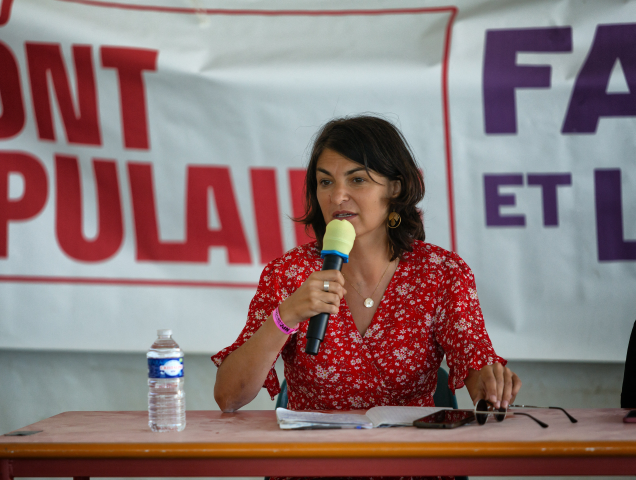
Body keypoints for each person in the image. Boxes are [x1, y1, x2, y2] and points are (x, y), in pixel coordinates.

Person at [212, 115, 520, 419]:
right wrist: (286, 316)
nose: (337, 196)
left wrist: (493, 387)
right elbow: (228, 398)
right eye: (325, 182)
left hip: (412, 461)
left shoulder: (442, 273)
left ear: (395, 188)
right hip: (314, 463)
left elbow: (477, 367)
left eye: (357, 180)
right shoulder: (289, 272)